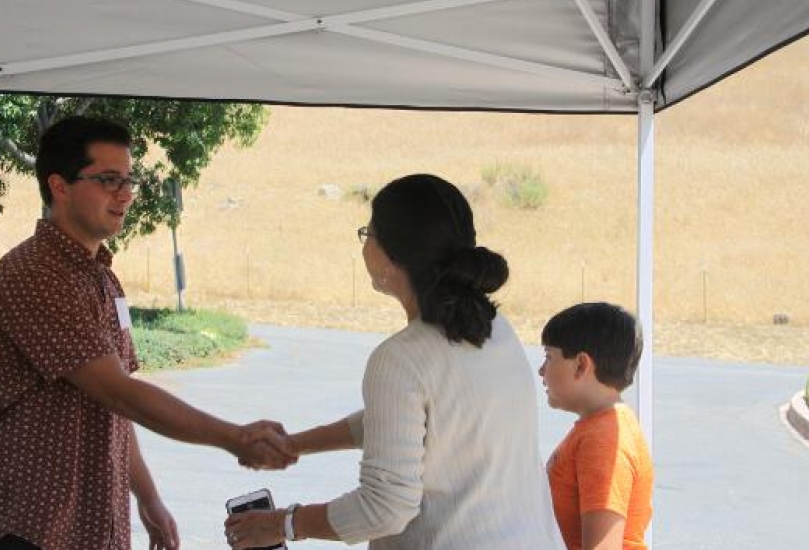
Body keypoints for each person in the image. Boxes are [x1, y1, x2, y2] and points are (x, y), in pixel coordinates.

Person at [0, 116, 295, 550]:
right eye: (107, 180)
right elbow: (117, 391)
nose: (125, 194)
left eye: (127, 180)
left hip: (94, 522)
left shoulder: (103, 278)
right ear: (59, 186)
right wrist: (233, 437)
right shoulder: (34, 272)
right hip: (33, 526)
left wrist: (148, 496)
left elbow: (118, 406)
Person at [223, 174, 564, 550]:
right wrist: (296, 444)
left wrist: (284, 524)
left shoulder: (399, 359)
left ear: (392, 259)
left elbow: (384, 509)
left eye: (368, 233)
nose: (365, 242)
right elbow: (407, 425)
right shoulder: (495, 329)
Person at [538, 302, 654, 550]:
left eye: (549, 357)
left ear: (581, 365)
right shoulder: (598, 429)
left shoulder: (604, 439)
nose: (541, 370)